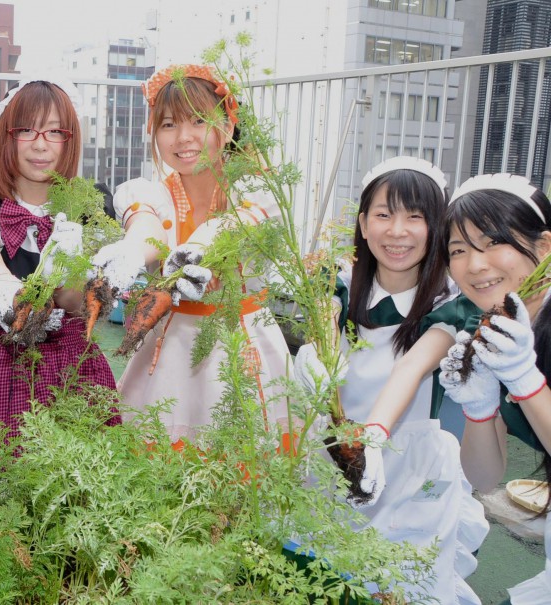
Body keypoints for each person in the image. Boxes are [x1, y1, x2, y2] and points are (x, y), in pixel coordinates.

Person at [294, 157, 487, 604]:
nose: (397, 231)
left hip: (408, 464)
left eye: (415, 217)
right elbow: (323, 332)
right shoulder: (338, 287)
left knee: (397, 584)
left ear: (436, 227)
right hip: (335, 455)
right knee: (321, 575)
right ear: (363, 223)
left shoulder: (449, 306)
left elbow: (412, 367)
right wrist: (312, 357)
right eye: (384, 214)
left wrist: (374, 437)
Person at [93, 64, 282, 441]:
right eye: (167, 125)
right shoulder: (152, 193)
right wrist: (132, 251)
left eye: (198, 121)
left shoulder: (257, 189)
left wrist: (194, 250)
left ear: (227, 126)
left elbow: (234, 226)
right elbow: (146, 228)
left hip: (242, 347)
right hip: (170, 349)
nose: (183, 138)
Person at [0, 77, 119, 473]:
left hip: (73, 368)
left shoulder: (91, 203)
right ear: (6, 137)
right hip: (2, 368)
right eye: (25, 129)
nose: (40, 143)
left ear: (71, 138)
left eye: (55, 131)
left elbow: (84, 300)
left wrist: (65, 288)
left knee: (79, 489)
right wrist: (15, 297)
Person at [437, 174, 551, 604]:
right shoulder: (496, 330)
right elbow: (484, 477)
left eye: (491, 243)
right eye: (459, 250)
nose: (475, 265)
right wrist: (480, 407)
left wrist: (524, 379)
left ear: (544, 248)